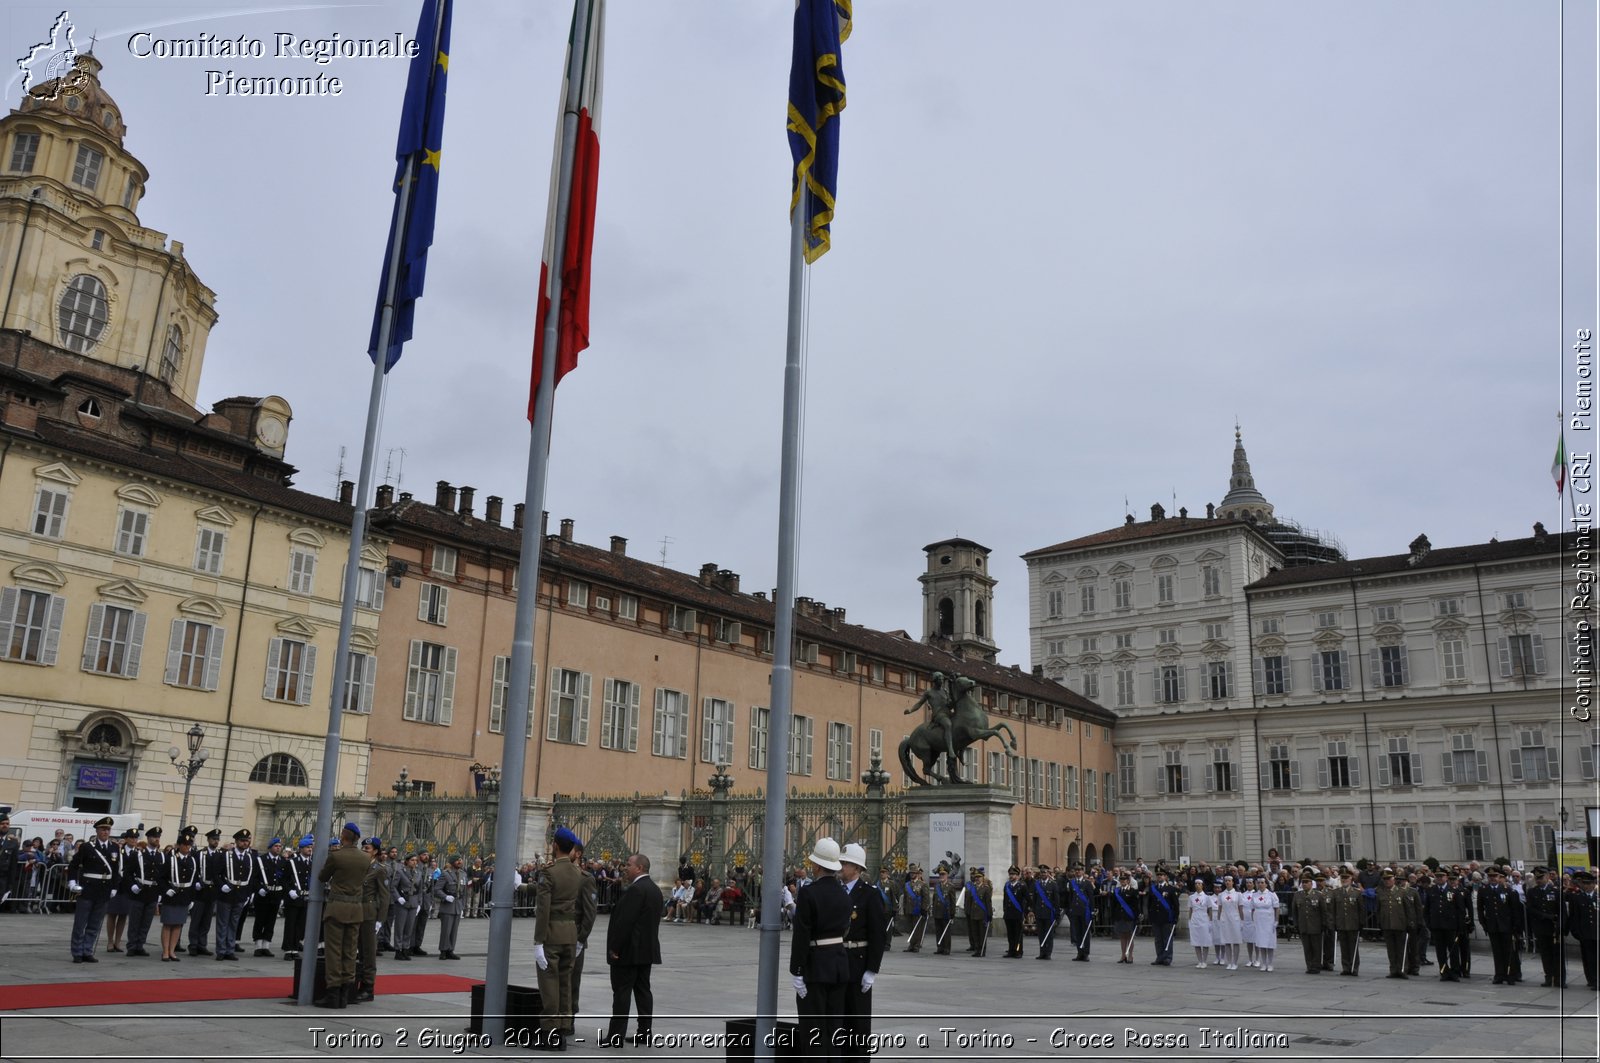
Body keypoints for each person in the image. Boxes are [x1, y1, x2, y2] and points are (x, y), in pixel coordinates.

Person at [790, 838, 851, 1058]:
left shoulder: (809, 892)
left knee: (813, 1030)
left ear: (816, 866)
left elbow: (802, 933)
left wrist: (796, 969)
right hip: (838, 964)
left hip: (815, 966)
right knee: (834, 1028)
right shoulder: (844, 894)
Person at [533, 827, 584, 1051]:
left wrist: (538, 941)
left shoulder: (549, 872)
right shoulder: (577, 872)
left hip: (551, 934)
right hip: (570, 934)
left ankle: (549, 1033)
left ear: (555, 846)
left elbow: (543, 910)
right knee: (565, 983)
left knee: (549, 984)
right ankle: (563, 1029)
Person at [836, 843, 887, 1062]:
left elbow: (878, 935)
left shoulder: (869, 894)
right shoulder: (836, 890)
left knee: (858, 1020)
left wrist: (872, 970)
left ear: (856, 868)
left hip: (858, 961)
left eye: (845, 863)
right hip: (837, 960)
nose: (841, 867)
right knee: (839, 1017)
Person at [605, 852, 662, 1046]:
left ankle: (616, 1035)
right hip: (646, 950)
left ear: (639, 868)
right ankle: (644, 1032)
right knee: (643, 991)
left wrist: (615, 947)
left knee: (622, 993)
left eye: (628, 864)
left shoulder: (636, 890)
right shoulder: (654, 889)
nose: (625, 868)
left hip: (629, 951)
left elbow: (625, 922)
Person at [316, 823, 369, 1009]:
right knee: (349, 951)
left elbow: (322, 877)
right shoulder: (365, 858)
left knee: (334, 952)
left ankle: (333, 994)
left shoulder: (336, 857)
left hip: (337, 908)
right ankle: (346, 993)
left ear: (343, 837)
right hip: (356, 909)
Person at [67, 816, 119, 963]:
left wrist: (115, 886)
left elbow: (115, 870)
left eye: (108, 829)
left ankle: (87, 950)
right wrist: (72, 882)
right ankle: (77, 952)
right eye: (103, 829)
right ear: (97, 830)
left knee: (95, 924)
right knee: (80, 923)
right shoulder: (87, 847)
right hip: (88, 888)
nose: (105, 832)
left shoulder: (114, 847)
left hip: (104, 890)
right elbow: (74, 865)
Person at [352, 835, 391, 1005]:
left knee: (368, 951)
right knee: (356, 949)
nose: (364, 851)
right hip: (356, 911)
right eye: (363, 848)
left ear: (375, 851)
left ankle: (368, 987)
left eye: (367, 849)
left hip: (370, 914)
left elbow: (384, 896)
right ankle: (354, 981)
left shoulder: (379, 869)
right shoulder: (359, 866)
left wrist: (379, 920)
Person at [214, 829, 258, 961]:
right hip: (226, 894)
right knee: (223, 923)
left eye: (247, 841)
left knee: (234, 923)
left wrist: (248, 895)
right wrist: (222, 885)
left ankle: (230, 949)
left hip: (240, 895)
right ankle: (221, 950)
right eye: (242, 841)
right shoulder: (225, 855)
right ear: (237, 842)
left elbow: (252, 879)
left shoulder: (250, 858)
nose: (245, 843)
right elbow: (216, 874)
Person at [121, 826, 164, 957]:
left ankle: (140, 945)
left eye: (158, 837)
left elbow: (163, 876)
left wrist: (161, 892)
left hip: (153, 892)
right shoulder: (138, 854)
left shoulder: (161, 856)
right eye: (154, 837)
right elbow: (127, 873)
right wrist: (132, 885)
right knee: (135, 921)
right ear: (148, 838)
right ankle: (132, 945)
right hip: (139, 891)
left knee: (146, 921)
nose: (157, 839)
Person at [158, 829, 200, 962]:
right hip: (172, 894)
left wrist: (192, 898)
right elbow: (161, 878)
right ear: (179, 846)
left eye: (189, 845)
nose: (188, 847)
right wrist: (166, 890)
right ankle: (165, 951)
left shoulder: (192, 861)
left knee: (178, 925)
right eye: (185, 844)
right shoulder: (171, 860)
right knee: (168, 924)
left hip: (185, 896)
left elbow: (193, 881)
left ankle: (172, 951)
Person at [1478, 866, 1524, 985]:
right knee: (1497, 952)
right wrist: (1484, 924)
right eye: (1490, 876)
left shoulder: (1507, 890)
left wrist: (1515, 926)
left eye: (1495, 876)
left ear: (1499, 877)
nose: (1492, 878)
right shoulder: (1483, 890)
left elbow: (1514, 910)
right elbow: (1480, 909)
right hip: (1492, 926)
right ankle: (1499, 974)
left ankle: (1510, 975)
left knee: (1509, 952)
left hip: (1506, 926)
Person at [903, 671, 957, 766]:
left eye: (942, 680)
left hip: (948, 712)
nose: (941, 681)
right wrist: (910, 710)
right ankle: (950, 750)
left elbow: (950, 704)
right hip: (939, 714)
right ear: (935, 681)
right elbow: (919, 704)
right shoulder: (929, 693)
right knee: (948, 724)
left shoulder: (945, 691)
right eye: (940, 680)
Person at [1526, 866, 1567, 988]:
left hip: (1554, 928)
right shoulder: (1532, 892)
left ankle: (1560, 979)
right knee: (1545, 954)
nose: (1538, 880)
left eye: (1541, 877)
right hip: (1541, 927)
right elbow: (1530, 909)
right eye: (1536, 878)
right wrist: (1545, 916)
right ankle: (1549, 977)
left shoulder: (1556, 891)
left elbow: (1562, 912)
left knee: (1558, 955)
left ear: (1548, 876)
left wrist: (1560, 926)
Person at [1375, 868, 1417, 979]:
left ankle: (1402, 969)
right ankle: (1393, 969)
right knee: (1391, 949)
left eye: (1389, 879)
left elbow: (1408, 909)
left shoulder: (1402, 892)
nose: (1387, 881)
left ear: (1393, 879)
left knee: (1401, 948)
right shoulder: (1380, 892)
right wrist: (1380, 922)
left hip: (1400, 924)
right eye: (1385, 879)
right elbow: (1378, 910)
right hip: (1387, 924)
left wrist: (1410, 923)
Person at [188, 828, 224, 956]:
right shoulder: (199, 854)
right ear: (208, 840)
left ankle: (202, 944)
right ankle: (193, 944)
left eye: (217, 839)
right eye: (214, 839)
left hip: (213, 890)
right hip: (201, 890)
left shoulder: (220, 855)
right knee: (196, 918)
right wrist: (196, 882)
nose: (216, 841)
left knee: (207, 920)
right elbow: (194, 870)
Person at [251, 837, 287, 957]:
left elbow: (284, 880)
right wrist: (258, 889)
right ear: (270, 847)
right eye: (276, 846)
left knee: (271, 921)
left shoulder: (283, 861)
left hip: (276, 895)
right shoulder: (261, 860)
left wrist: (282, 896)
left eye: (279, 846)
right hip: (263, 895)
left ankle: (266, 945)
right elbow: (254, 877)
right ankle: (258, 945)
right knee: (260, 919)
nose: (278, 848)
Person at [281, 836, 314, 961]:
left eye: (311, 847)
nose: (310, 849)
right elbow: (284, 879)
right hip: (294, 898)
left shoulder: (312, 863)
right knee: (291, 924)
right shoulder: (292, 862)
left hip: (306, 898)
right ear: (301, 849)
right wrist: (289, 891)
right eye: (307, 847)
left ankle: (295, 948)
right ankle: (288, 949)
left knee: (301, 925)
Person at [105, 828, 137, 953]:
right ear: (126, 839)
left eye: (135, 838)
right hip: (117, 886)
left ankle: (118, 942)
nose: (134, 840)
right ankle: (109, 941)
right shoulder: (118, 851)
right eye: (132, 838)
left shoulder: (138, 853)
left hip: (128, 888)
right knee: (112, 914)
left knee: (123, 915)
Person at [1329, 867, 1365, 976]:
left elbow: (1361, 910)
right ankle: (1346, 967)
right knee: (1344, 947)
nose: (1344, 880)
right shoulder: (1336, 893)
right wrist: (1333, 923)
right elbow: (1332, 909)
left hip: (1353, 923)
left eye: (1347, 878)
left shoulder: (1357, 893)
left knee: (1353, 947)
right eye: (1342, 878)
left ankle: (1354, 967)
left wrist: (1361, 923)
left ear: (1351, 879)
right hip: (1341, 923)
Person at [1291, 870, 1327, 974]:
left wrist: (1324, 924)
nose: (1304, 884)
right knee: (1307, 948)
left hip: (1315, 925)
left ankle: (1316, 966)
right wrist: (1296, 924)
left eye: (1307, 882)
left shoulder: (1318, 895)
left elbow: (1323, 911)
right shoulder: (1298, 895)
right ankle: (1309, 965)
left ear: (1311, 883)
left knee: (1316, 947)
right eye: (1303, 882)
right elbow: (1294, 912)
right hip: (1303, 925)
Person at [433, 855, 468, 961]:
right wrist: (445, 897)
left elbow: (464, 892)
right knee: (446, 930)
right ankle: (443, 951)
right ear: (452, 862)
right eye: (457, 860)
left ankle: (450, 950)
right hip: (448, 906)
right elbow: (437, 889)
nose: (460, 862)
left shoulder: (463, 874)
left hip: (457, 905)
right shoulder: (445, 874)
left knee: (454, 930)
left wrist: (462, 905)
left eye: (460, 860)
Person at [1567, 870, 1598, 989]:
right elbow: (1574, 917)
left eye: (1587, 883)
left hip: (1597, 932)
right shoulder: (1577, 898)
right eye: (1583, 883)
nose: (1584, 886)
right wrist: (1576, 932)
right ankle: (1593, 979)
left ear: (1592, 884)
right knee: (1589, 958)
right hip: (1585, 933)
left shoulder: (1597, 897)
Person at [1145, 867, 1179, 966]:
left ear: (1165, 877)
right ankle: (1159, 957)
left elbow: (1175, 905)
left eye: (1161, 875)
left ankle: (1167, 957)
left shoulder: (1171, 889)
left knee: (1167, 938)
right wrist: (1150, 915)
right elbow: (1149, 903)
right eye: (1158, 875)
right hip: (1156, 917)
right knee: (1158, 939)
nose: (1159, 877)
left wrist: (1176, 917)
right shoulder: (1153, 888)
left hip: (1167, 917)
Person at [1111, 872, 1139, 963]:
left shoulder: (1133, 891)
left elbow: (1136, 905)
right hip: (1120, 916)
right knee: (1122, 936)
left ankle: (1130, 955)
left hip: (1129, 916)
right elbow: (1113, 905)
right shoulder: (1117, 891)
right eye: (1121, 880)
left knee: (1130, 936)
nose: (1122, 881)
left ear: (1128, 881)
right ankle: (1123, 955)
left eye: (1124, 880)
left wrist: (1136, 916)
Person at [964, 868, 992, 956]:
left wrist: (989, 914)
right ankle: (977, 949)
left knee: (982, 934)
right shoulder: (972, 888)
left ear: (983, 877)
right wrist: (968, 911)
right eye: (976, 877)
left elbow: (988, 903)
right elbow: (969, 901)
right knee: (975, 933)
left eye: (979, 877)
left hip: (982, 914)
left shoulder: (986, 889)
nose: (977, 878)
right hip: (973, 913)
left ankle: (982, 950)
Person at [1188, 877, 1215, 968]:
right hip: (1195, 918)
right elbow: (1190, 909)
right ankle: (1199, 960)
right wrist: (1189, 920)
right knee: (1197, 941)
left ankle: (1204, 961)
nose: (1197, 885)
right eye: (1196, 884)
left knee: (1205, 940)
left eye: (1199, 884)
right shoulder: (1191, 897)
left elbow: (1210, 910)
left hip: (1204, 918)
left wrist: (1210, 921)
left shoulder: (1207, 897)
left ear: (1202, 885)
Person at [1001, 866, 1027, 958]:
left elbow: (1026, 899)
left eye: (1013, 874)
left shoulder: (1022, 886)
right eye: (1010, 874)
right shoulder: (1007, 885)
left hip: (1017, 913)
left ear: (1018, 875)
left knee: (1018, 934)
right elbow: (1005, 900)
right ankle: (1011, 951)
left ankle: (1018, 951)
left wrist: (1025, 912)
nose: (1011, 876)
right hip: (1008, 914)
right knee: (1010, 934)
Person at [929, 867, 955, 955]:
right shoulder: (937, 886)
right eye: (940, 874)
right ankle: (940, 947)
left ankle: (947, 948)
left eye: (943, 874)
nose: (941, 876)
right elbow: (934, 899)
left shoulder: (951, 886)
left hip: (946, 912)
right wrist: (933, 910)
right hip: (937, 912)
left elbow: (953, 901)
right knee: (938, 930)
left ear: (947, 875)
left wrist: (952, 913)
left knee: (946, 931)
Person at [900, 868, 926, 952]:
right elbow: (905, 898)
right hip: (908, 909)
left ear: (917, 874)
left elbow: (925, 898)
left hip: (917, 909)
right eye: (911, 873)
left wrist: (924, 908)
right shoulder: (907, 884)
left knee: (917, 928)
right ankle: (911, 944)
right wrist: (904, 908)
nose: (912, 874)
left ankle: (917, 945)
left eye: (914, 873)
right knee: (910, 928)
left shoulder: (922, 884)